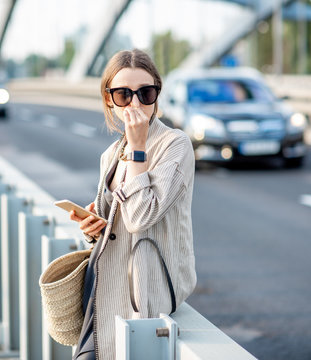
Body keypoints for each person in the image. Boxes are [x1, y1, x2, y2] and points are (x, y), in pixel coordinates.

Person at [69, 49, 197, 360]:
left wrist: (138, 149)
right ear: (109, 98)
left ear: (157, 94)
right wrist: (93, 227)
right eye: (124, 94)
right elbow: (118, 223)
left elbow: (141, 218)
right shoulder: (112, 153)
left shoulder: (175, 146)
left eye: (146, 92)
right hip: (102, 292)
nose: (136, 104)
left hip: (143, 297)